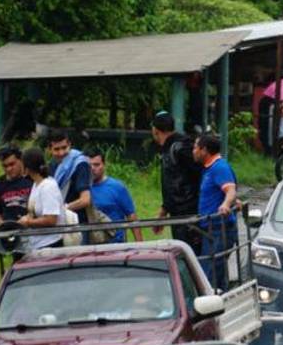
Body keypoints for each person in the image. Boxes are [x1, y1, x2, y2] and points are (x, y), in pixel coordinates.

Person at [151, 111, 204, 251]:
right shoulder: (171, 147)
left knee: (190, 255)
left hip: (189, 214)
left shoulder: (181, 147)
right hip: (179, 214)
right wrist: (163, 213)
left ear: (155, 130)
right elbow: (172, 186)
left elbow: (201, 173)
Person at [193, 133, 238, 289]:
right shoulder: (209, 169)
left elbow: (230, 190)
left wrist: (226, 204)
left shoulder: (219, 167)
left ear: (204, 150)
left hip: (219, 228)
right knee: (216, 273)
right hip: (210, 229)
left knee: (209, 273)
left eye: (195, 147)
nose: (193, 151)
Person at [15, 147, 65, 255]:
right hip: (36, 244)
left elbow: (51, 220)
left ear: (27, 168)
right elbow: (35, 212)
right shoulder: (36, 184)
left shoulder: (48, 186)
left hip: (50, 244)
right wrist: (26, 218)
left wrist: (28, 222)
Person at [88, 149, 142, 243]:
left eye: (96, 165)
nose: (92, 168)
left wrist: (141, 246)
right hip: (90, 245)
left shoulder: (117, 187)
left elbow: (132, 217)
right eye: (89, 165)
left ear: (104, 165)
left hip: (115, 245)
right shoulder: (81, 189)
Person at [47, 130, 92, 226]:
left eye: (64, 148)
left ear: (70, 145)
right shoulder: (51, 166)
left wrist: (63, 209)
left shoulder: (80, 164)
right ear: (50, 150)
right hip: (58, 223)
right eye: (56, 149)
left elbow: (85, 200)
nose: (61, 153)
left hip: (77, 223)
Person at [0, 145, 32, 227]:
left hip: (30, 229)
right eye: (5, 166)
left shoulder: (32, 180)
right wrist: (2, 224)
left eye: (12, 164)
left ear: (21, 160)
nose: (8, 169)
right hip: (8, 232)